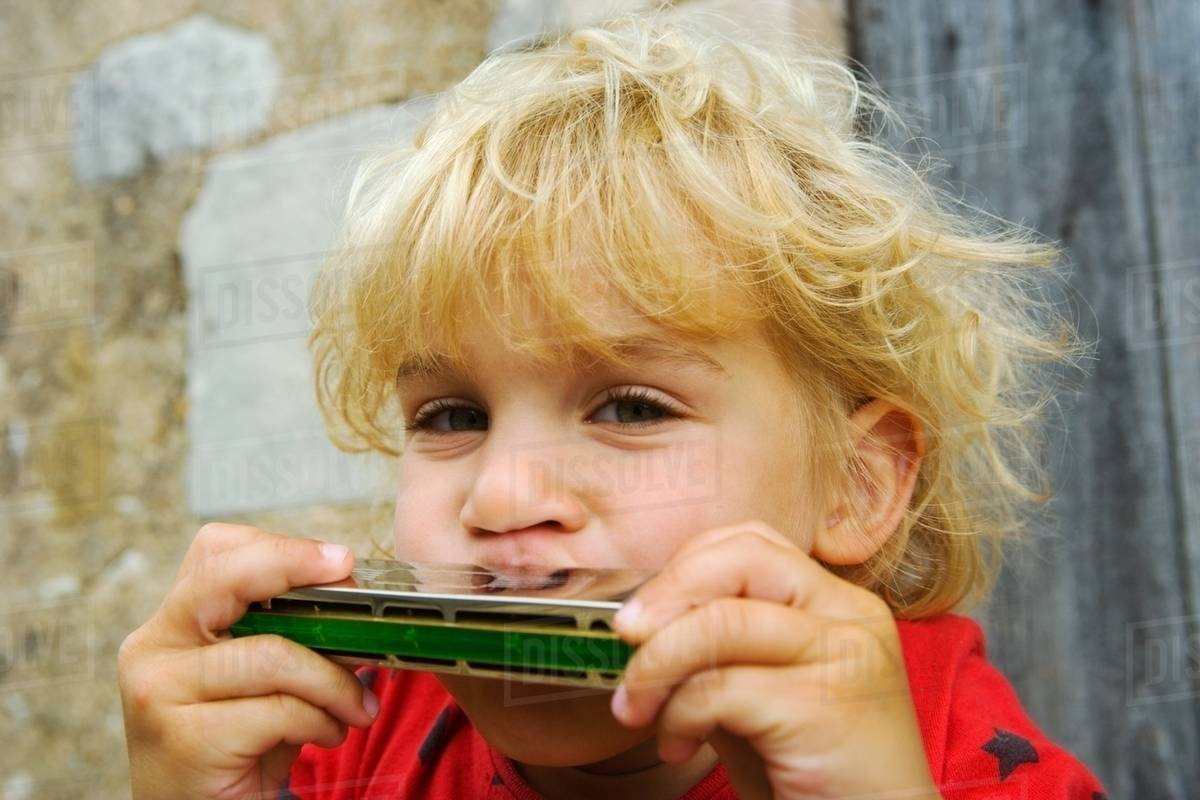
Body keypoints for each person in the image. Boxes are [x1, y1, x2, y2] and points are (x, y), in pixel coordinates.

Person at [118, 11, 1111, 799]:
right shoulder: (343, 740)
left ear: (855, 481)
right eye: (452, 414)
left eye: (631, 408)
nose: (503, 498)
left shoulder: (955, 760)